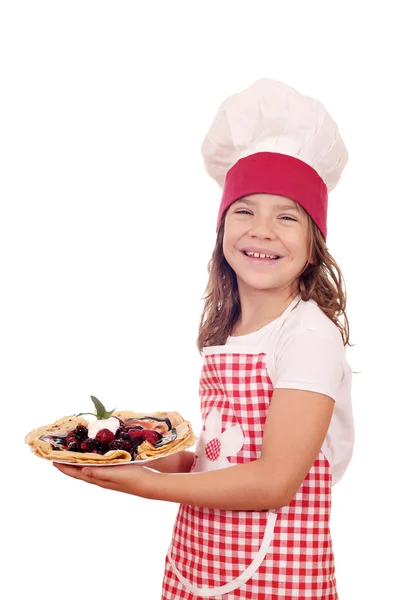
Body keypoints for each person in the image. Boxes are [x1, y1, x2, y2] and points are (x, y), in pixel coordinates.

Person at [54, 78, 355, 599]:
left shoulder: (308, 334)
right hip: (204, 558)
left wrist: (152, 487)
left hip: (277, 573)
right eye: (245, 210)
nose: (262, 230)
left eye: (286, 216)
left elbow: (274, 481)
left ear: (314, 243)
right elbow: (217, 460)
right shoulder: (230, 327)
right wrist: (134, 454)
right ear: (221, 231)